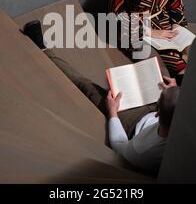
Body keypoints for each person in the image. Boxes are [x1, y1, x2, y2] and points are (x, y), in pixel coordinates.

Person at [22, 20, 180, 175]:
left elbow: (119, 145)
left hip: (134, 124)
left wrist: (112, 113)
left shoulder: (142, 151)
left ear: (159, 113)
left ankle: (43, 50)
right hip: (161, 115)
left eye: (162, 99)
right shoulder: (187, 123)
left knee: (87, 87)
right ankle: (127, 34)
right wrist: (172, 89)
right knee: (159, 69)